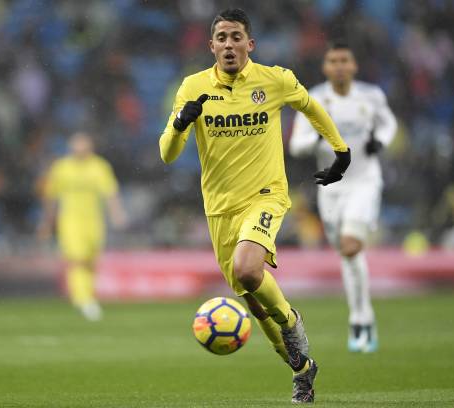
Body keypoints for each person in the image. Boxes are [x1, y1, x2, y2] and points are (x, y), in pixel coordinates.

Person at [159, 9, 351, 404]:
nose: (229, 45)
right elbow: (167, 154)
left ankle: (293, 321)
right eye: (222, 38)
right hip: (219, 209)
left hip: (266, 195)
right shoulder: (193, 88)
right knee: (252, 298)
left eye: (236, 37)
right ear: (211, 46)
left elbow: (311, 106)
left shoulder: (274, 80)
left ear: (250, 44)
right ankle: (301, 369)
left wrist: (341, 151)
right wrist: (180, 123)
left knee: (249, 270)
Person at [290, 42, 397, 353]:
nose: (338, 65)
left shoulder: (372, 96)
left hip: (364, 181)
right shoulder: (313, 99)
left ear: (354, 66)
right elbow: (296, 144)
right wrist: (316, 139)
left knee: (350, 247)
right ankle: (361, 318)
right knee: (347, 255)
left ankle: (361, 319)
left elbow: (389, 123)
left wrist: (381, 141)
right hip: (331, 186)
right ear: (325, 68)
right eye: (332, 61)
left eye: (344, 60)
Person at [38, 132, 126, 321]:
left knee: (90, 261)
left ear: (90, 146)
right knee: (76, 259)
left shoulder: (99, 166)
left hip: (94, 221)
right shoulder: (61, 168)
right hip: (70, 221)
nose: (79, 148)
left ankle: (86, 296)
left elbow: (110, 193)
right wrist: (46, 222)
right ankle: (83, 299)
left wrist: (117, 214)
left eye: (83, 144)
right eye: (76, 145)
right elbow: (51, 197)